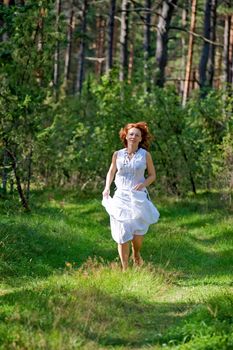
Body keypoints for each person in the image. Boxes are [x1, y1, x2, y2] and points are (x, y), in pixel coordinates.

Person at [102, 121, 160, 271]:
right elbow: (111, 172)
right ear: (126, 136)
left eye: (137, 135)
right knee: (122, 233)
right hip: (120, 197)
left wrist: (143, 184)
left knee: (137, 234)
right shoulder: (117, 154)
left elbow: (153, 175)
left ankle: (136, 254)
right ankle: (125, 269)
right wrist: (107, 188)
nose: (133, 137)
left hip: (137, 197)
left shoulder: (145, 155)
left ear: (141, 139)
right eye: (131, 134)